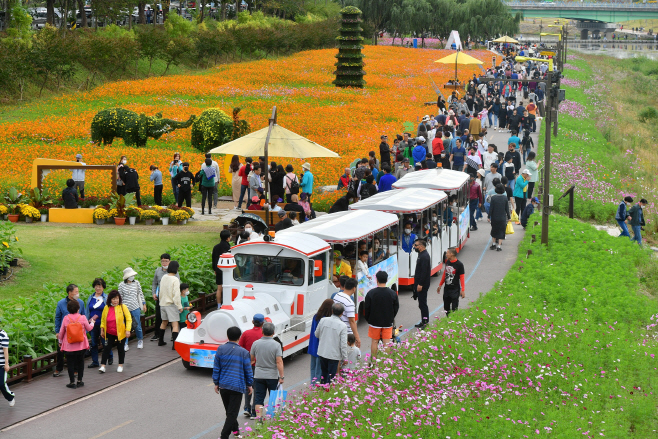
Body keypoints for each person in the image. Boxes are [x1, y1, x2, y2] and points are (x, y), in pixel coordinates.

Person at [213, 326, 253, 439]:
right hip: (237, 386)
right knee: (232, 412)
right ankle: (224, 435)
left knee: (230, 411)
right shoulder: (244, 352)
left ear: (227, 336)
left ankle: (235, 431)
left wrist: (216, 383)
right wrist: (249, 384)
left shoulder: (220, 349)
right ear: (239, 337)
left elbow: (216, 367)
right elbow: (248, 370)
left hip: (224, 386)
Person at [58, 299, 95, 388]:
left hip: (69, 346)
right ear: (78, 309)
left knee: (70, 364)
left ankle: (72, 382)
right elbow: (89, 328)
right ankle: (80, 380)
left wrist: (60, 342)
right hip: (81, 345)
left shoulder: (66, 318)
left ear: (68, 309)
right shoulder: (82, 318)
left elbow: (61, 332)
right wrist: (92, 323)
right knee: (80, 362)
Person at [251, 322, 284, 420]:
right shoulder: (276, 345)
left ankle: (259, 420)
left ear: (262, 331)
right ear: (273, 332)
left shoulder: (255, 343)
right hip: (272, 376)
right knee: (273, 398)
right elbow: (279, 361)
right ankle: (273, 420)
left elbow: (252, 359)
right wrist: (281, 376)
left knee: (259, 399)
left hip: (258, 375)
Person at [364, 271, 399, 362]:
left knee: (374, 341)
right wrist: (391, 317)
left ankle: (374, 361)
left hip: (374, 322)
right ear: (387, 280)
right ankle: (386, 362)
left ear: (377, 280)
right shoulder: (392, 293)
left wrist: (369, 319)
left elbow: (366, 308)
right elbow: (396, 307)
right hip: (387, 322)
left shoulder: (371, 293)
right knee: (386, 342)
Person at [53, 284, 87, 377]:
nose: (78, 293)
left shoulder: (81, 302)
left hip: (77, 332)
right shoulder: (61, 303)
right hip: (64, 332)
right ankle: (59, 368)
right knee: (60, 350)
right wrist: (57, 331)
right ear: (70, 293)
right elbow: (58, 318)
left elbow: (84, 316)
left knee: (76, 350)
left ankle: (75, 370)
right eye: (76, 292)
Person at [314, 303, 348, 385]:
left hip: (322, 352)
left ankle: (322, 391)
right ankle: (328, 392)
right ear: (342, 313)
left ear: (332, 311)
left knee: (324, 374)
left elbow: (316, 334)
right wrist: (345, 358)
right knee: (331, 376)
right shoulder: (343, 326)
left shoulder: (323, 320)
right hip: (334, 355)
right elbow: (343, 344)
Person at [237, 314, 264, 417]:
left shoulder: (246, 333)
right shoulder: (264, 335)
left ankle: (247, 407)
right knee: (257, 388)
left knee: (248, 386)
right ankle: (254, 411)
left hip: (248, 364)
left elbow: (240, 348)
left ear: (253, 322)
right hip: (259, 365)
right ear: (263, 323)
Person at [150, 254, 178, 342]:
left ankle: (172, 336)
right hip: (160, 297)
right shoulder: (158, 270)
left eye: (166, 261)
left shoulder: (174, 272)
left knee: (172, 318)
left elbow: (177, 286)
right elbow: (154, 283)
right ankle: (157, 335)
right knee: (159, 317)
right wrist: (154, 293)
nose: (164, 263)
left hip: (170, 299)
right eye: (162, 261)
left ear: (169, 261)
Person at [118, 267, 146, 351]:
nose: (132, 277)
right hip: (125, 308)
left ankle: (140, 340)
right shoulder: (121, 285)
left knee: (137, 325)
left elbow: (140, 294)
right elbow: (120, 297)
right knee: (126, 326)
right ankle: (125, 343)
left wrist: (144, 304)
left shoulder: (137, 283)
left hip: (135, 307)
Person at [86, 278, 112, 368]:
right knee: (93, 344)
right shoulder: (90, 297)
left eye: (99, 286)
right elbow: (87, 311)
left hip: (103, 325)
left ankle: (110, 356)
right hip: (92, 325)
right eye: (96, 286)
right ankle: (95, 361)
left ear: (103, 287)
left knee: (105, 342)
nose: (98, 288)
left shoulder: (106, 298)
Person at [158, 261, 183, 347]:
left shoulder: (164, 277)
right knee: (175, 324)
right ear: (176, 268)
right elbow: (176, 295)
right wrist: (179, 306)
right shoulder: (175, 279)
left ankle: (160, 341)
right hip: (171, 305)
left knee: (164, 322)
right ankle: (175, 345)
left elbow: (160, 290)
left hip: (162, 304)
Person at [309, 299, 334, 385]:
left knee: (313, 367)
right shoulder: (326, 320)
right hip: (321, 347)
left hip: (313, 345)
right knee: (319, 370)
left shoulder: (316, 316)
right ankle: (317, 386)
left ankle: (312, 385)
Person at [332, 278, 361, 347]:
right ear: (354, 288)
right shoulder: (349, 302)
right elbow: (352, 322)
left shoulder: (337, 296)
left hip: (336, 329)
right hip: (346, 334)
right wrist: (357, 337)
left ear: (344, 286)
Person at [437, 248, 465, 317]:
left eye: (447, 253)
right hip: (447, 288)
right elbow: (444, 274)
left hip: (455, 289)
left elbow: (462, 278)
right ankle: (448, 319)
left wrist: (463, 290)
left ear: (451, 254)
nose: (446, 255)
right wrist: (440, 285)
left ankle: (454, 321)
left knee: (454, 308)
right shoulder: (448, 262)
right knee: (446, 307)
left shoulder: (459, 264)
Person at [412, 239, 431, 328]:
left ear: (421, 246)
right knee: (421, 303)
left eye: (416, 245)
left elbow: (424, 272)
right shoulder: (421, 255)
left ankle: (425, 322)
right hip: (419, 282)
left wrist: (420, 284)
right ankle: (423, 321)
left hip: (422, 284)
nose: (414, 247)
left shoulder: (424, 256)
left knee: (423, 303)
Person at [212, 230, 232, 306]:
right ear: (228, 238)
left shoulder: (216, 247)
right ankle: (226, 303)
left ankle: (218, 305)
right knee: (227, 287)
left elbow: (213, 259)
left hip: (218, 270)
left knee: (219, 289)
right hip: (227, 271)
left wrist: (214, 269)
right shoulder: (228, 247)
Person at [488, 184, 511, 251]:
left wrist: (489, 216)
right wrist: (509, 217)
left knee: (494, 230)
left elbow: (491, 208)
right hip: (502, 217)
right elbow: (507, 209)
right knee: (501, 231)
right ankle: (499, 246)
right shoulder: (505, 198)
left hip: (494, 217)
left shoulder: (493, 198)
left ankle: (494, 243)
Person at [0, 317, 15, 406]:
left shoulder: (3, 335)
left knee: (2, 384)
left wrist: (6, 363)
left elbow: (5, 350)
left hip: (1, 364)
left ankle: (10, 397)